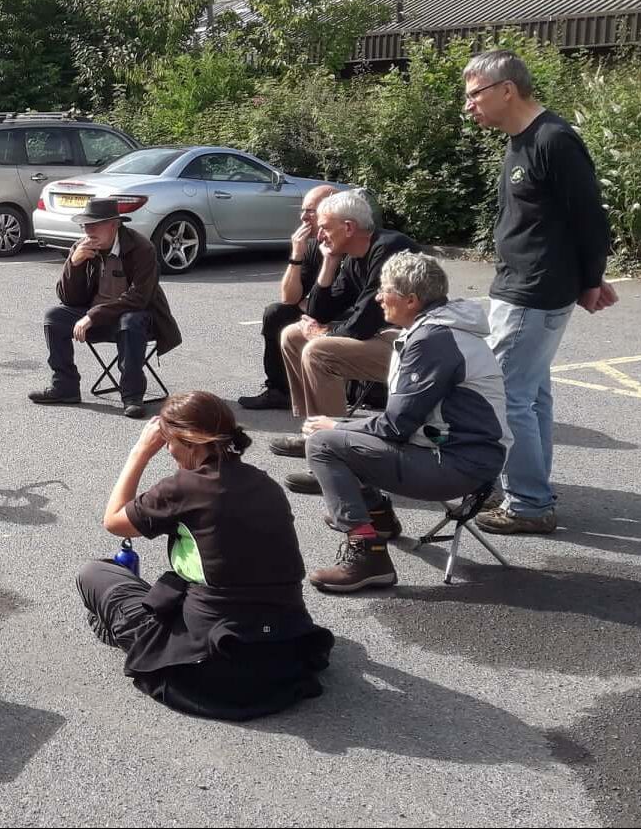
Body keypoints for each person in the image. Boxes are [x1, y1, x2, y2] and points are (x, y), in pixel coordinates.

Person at [75, 391, 333, 719]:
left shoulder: (183, 488)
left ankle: (131, 636)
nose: (168, 450)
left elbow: (114, 521)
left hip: (214, 670)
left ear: (192, 442)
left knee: (95, 573)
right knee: (178, 587)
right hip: (286, 649)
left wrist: (139, 452)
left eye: (170, 442)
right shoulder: (266, 484)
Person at [462, 50, 617, 535]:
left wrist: (591, 279)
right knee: (531, 397)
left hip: (533, 293)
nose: (469, 106)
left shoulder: (554, 140)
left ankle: (528, 503)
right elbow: (549, 223)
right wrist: (586, 275)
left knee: (509, 398)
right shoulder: (519, 141)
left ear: (506, 89)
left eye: (474, 95)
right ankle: (532, 490)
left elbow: (588, 217)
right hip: (522, 287)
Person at [301, 253, 510, 592]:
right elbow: (401, 422)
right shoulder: (441, 329)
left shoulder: (433, 340)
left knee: (323, 444)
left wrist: (335, 428)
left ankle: (369, 554)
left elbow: (396, 426)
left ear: (411, 300)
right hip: (461, 453)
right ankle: (379, 517)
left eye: (385, 290)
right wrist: (337, 425)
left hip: (459, 466)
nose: (379, 297)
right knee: (331, 431)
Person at [270, 190, 419, 494]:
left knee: (320, 350)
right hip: (382, 338)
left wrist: (324, 334)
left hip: (415, 349)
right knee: (293, 335)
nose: (319, 235)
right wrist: (329, 263)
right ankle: (315, 434)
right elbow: (318, 311)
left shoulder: (390, 250)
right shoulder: (352, 257)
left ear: (349, 227)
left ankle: (338, 459)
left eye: (325, 227)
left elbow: (365, 322)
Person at [29, 197, 181, 419]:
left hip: (137, 321)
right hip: (97, 319)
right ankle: (65, 387)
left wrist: (92, 316)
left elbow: (138, 298)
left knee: (130, 320)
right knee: (54, 317)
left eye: (94, 225)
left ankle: (132, 396)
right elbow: (68, 298)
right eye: (85, 225)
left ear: (114, 224)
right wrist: (75, 263)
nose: (88, 231)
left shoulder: (141, 249)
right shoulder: (82, 247)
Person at [238, 184, 338, 411]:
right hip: (317, 310)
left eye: (310, 211)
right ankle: (279, 390)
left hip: (345, 317)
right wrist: (296, 255)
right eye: (302, 210)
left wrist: (311, 307)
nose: (303, 217)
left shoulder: (350, 244)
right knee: (276, 313)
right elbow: (289, 298)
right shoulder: (313, 246)